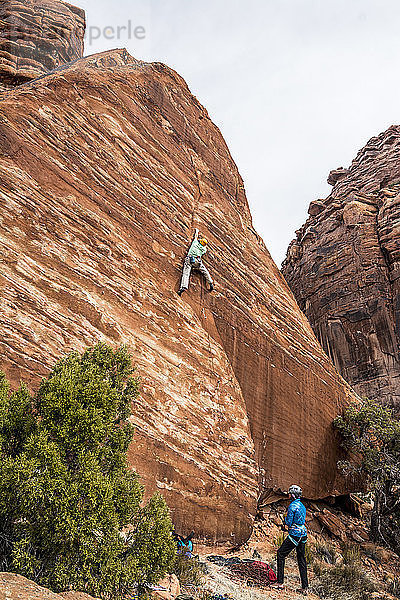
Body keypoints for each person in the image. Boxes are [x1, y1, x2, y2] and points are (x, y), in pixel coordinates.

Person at [271, 484, 309, 595]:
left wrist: (283, 519)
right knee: (301, 559)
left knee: (281, 554)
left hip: (295, 534)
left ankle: (280, 583)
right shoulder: (302, 506)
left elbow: (288, 522)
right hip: (303, 534)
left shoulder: (292, 506)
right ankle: (305, 587)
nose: (288, 495)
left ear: (292, 495)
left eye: (289, 493)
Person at [178, 228, 214, 296]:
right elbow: (204, 246)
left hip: (190, 259)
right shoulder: (203, 249)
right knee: (204, 270)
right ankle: (210, 283)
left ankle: (183, 287)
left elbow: (195, 237)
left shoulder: (195, 243)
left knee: (186, 273)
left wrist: (197, 231)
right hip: (197, 261)